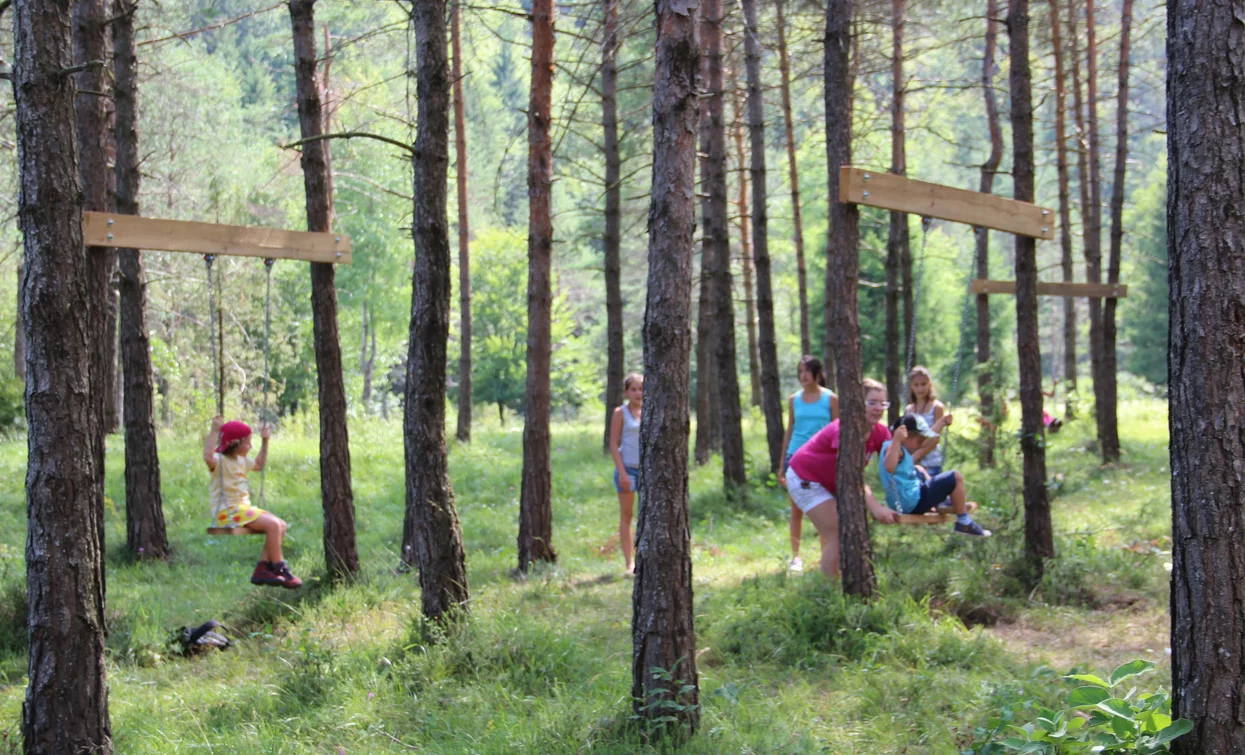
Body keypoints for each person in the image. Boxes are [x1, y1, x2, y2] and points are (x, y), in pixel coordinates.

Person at [785, 378, 900, 579]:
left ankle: (846, 585)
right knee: (837, 533)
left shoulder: (879, 431)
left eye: (882, 403)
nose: (878, 408)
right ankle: (829, 594)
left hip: (829, 482)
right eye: (872, 402)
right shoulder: (845, 430)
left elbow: (896, 461)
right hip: (805, 478)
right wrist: (875, 507)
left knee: (846, 531)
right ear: (857, 403)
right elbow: (851, 475)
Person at [203, 416, 302, 588]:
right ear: (235, 443)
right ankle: (280, 568)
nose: (251, 446)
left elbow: (259, 464)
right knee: (273, 525)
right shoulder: (220, 461)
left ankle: (262, 568)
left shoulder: (242, 460)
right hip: (228, 512)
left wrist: (266, 441)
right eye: (248, 442)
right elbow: (207, 456)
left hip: (243, 509)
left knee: (281, 525)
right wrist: (214, 431)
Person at [879, 413, 991, 537]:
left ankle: (942, 504)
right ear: (905, 436)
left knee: (918, 469)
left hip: (904, 501)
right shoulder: (895, 448)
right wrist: (896, 440)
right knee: (955, 477)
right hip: (913, 502)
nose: (922, 444)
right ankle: (964, 521)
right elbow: (889, 467)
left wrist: (942, 422)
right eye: (919, 440)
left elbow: (929, 439)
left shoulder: (898, 449)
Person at [778, 356, 838, 571]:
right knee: (796, 510)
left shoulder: (831, 399)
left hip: (821, 460)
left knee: (825, 508)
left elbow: (837, 429)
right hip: (796, 458)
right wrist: (781, 463)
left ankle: (826, 554)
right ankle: (796, 557)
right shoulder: (794, 399)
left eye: (806, 371)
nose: (803, 376)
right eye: (800, 371)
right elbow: (790, 430)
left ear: (817, 373)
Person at [608, 373, 643, 575]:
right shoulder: (621, 413)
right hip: (627, 469)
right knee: (627, 515)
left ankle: (643, 558)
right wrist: (622, 473)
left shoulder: (650, 411)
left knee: (645, 515)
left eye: (641, 389)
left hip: (647, 472)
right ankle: (629, 563)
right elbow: (613, 443)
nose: (638, 393)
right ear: (626, 392)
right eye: (634, 389)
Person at [904, 365, 947, 475]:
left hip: (932, 462)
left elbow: (935, 438)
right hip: (913, 462)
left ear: (929, 385)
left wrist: (918, 454)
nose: (920, 389)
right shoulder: (909, 409)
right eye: (916, 385)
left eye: (923, 384)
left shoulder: (936, 407)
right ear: (911, 387)